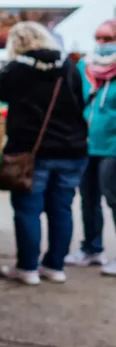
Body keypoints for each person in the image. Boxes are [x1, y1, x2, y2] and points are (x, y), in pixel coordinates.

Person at [0, 22, 88, 286]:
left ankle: (28, 268)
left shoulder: (16, 68)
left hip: (31, 152)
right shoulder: (69, 66)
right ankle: (55, 267)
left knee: (27, 210)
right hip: (73, 150)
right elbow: (81, 101)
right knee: (62, 209)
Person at [66, 19, 116, 274]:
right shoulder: (86, 67)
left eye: (108, 39)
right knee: (88, 199)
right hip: (86, 145)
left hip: (113, 147)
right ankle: (92, 249)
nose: (102, 43)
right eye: (99, 38)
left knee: (114, 198)